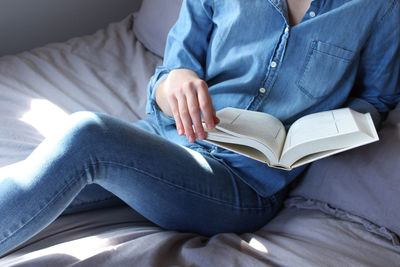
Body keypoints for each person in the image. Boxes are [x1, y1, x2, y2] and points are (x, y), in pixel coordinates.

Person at [1, 0, 399, 257]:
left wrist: (331, 128)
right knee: (42, 173)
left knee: (87, 135)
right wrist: (176, 82)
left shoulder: (379, 8)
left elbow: (377, 99)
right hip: (161, 141)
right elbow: (164, 80)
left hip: (239, 184)